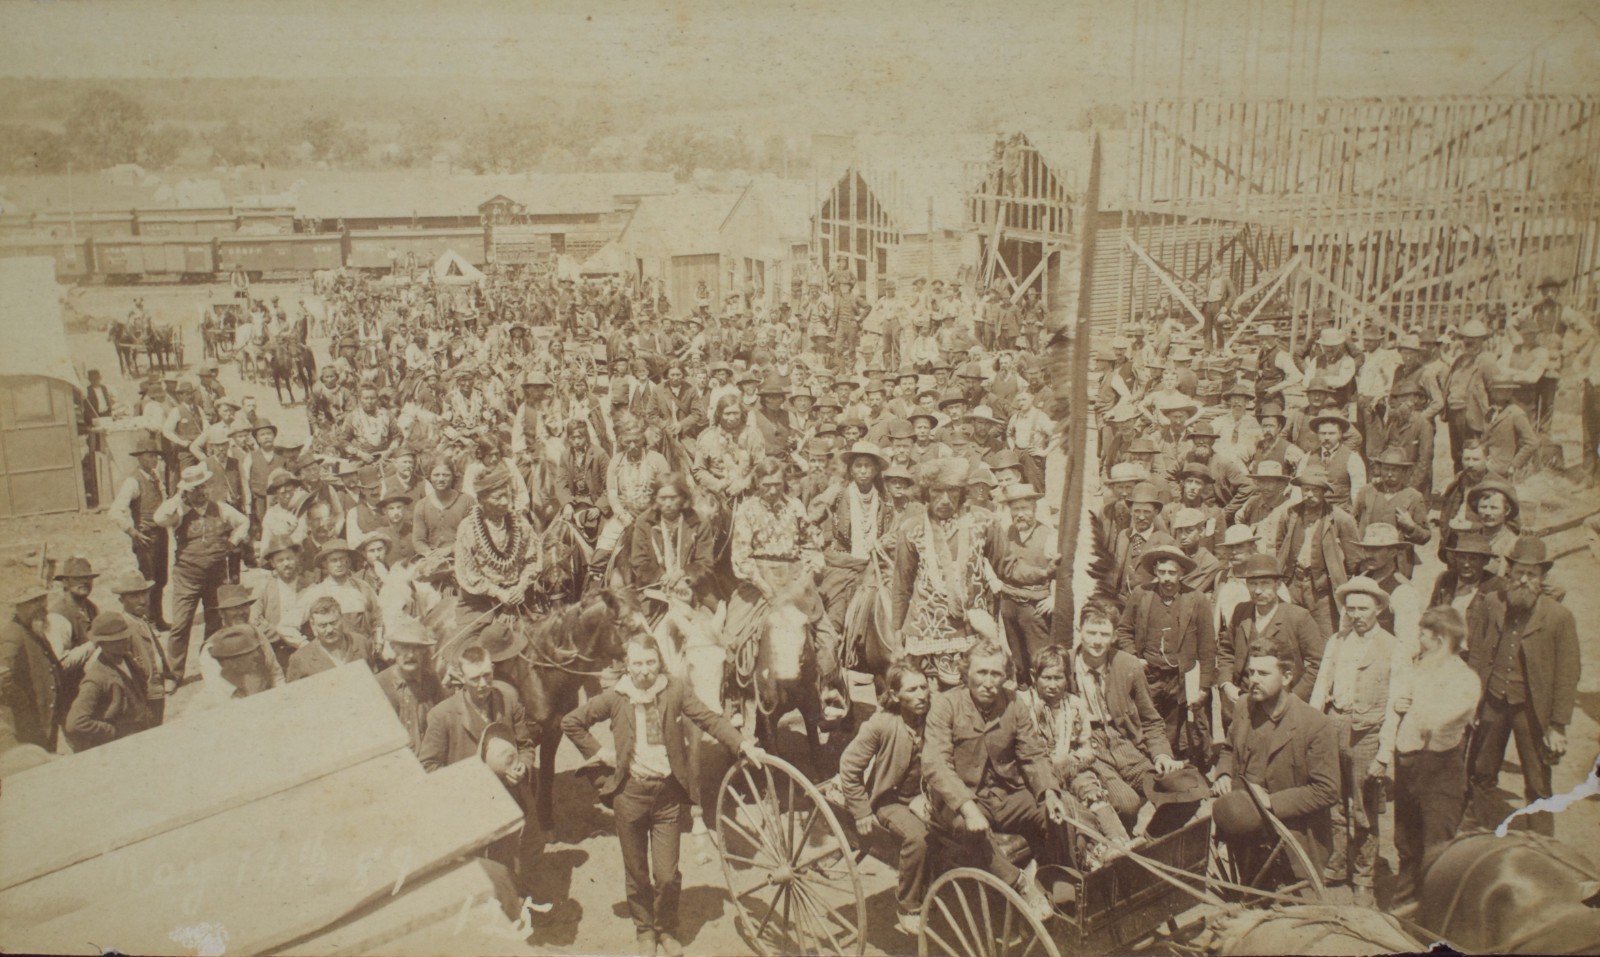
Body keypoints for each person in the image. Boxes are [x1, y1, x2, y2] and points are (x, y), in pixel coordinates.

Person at [562, 634, 764, 957]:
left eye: (650, 662)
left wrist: (741, 744)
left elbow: (709, 718)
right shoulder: (616, 697)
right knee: (637, 871)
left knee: (667, 875)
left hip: (667, 797)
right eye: (637, 664)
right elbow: (571, 722)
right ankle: (645, 931)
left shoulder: (674, 690)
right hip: (629, 795)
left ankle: (666, 929)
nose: (644, 671)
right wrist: (600, 753)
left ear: (659, 662)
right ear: (628, 665)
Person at [922, 638, 1066, 920]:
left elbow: (1033, 754)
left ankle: (1054, 878)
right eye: (981, 673)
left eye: (996, 674)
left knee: (1055, 812)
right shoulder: (945, 705)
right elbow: (936, 763)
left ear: (1005, 676)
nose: (989, 682)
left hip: (1006, 794)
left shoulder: (1013, 703)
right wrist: (968, 808)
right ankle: (1019, 883)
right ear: (966, 673)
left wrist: (1049, 791)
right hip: (962, 800)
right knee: (970, 829)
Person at [1466, 536, 1580, 836]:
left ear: (1542, 577)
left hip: (1531, 709)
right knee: (1481, 770)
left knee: (1538, 781)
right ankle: (1483, 832)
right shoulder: (1493, 603)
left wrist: (1557, 725)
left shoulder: (1558, 617)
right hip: (1493, 701)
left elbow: (1568, 675)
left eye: (1532, 574)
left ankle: (1541, 842)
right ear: (1509, 572)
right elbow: (1477, 653)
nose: (1525, 580)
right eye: (1519, 572)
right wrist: (1471, 700)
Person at [1308, 576, 1411, 907]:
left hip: (1368, 733)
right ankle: (1337, 864)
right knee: (1332, 801)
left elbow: (1396, 705)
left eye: (1363, 609)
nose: (1356, 615)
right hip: (1334, 725)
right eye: (1350, 609)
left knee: (1365, 808)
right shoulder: (1337, 642)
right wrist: (1313, 728)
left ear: (1378, 608)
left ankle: (1364, 877)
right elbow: (1321, 687)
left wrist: (1384, 753)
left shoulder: (1394, 647)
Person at [1211, 638, 1340, 892]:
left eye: (1263, 673)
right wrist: (1223, 773)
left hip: (1290, 834)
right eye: (1251, 672)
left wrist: (1271, 802)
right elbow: (1228, 748)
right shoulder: (1243, 707)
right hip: (1245, 827)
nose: (1253, 680)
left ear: (1287, 676)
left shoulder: (1315, 725)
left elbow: (1328, 790)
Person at [1390, 606, 1480, 908]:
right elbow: (1410, 708)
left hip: (1440, 772)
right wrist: (1403, 703)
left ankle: (1434, 915)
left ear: (1440, 640)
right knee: (1406, 841)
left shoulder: (1464, 679)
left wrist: (1415, 707)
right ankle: (1403, 907)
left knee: (1436, 848)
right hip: (1410, 765)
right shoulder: (1423, 669)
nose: (1419, 640)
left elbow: (1436, 721)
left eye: (1423, 635)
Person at [838, 660, 933, 935]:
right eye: (912, 690)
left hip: (925, 795)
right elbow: (849, 766)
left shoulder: (933, 718)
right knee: (917, 838)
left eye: (924, 687)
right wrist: (861, 810)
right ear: (895, 695)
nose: (921, 695)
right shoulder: (881, 724)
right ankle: (908, 905)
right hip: (890, 800)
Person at [153, 462, 251, 683]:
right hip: (187, 577)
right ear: (187, 491)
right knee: (180, 624)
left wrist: (232, 541)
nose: (201, 492)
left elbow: (244, 522)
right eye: (195, 488)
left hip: (215, 576)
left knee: (215, 622)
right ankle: (174, 674)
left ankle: (209, 665)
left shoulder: (220, 508)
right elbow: (158, 519)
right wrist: (178, 496)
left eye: (204, 486)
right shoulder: (179, 511)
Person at [1115, 546, 1215, 762]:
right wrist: (1134, 658)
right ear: (1155, 571)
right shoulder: (1142, 594)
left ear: (1182, 573)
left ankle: (1170, 766)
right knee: (1144, 722)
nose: (1167, 578)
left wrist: (1204, 686)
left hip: (1179, 678)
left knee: (1175, 729)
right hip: (1147, 675)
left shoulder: (1196, 599)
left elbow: (1207, 646)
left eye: (1172, 572)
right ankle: (1144, 765)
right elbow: (1124, 630)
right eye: (1162, 572)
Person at [1218, 555, 1323, 706]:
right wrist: (1226, 684)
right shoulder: (1241, 611)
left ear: (1278, 584)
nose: (1258, 591)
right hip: (1242, 699)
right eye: (1252, 584)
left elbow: (1317, 663)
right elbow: (1226, 650)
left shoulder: (1298, 617)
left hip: (1282, 704)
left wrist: (1294, 698)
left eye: (1265, 583)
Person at [420, 642, 535, 773]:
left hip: (506, 784)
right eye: (475, 679)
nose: (483, 684)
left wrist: (522, 767)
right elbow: (429, 765)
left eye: (487, 675)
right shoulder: (441, 715)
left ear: (493, 669)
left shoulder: (510, 702)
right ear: (462, 677)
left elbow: (525, 747)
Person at [65, 613, 161, 751]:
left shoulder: (127, 659)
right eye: (117, 640)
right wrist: (111, 731)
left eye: (125, 637)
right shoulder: (96, 678)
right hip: (122, 745)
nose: (126, 642)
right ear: (101, 644)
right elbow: (75, 723)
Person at [108, 434, 171, 626]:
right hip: (146, 537)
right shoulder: (133, 481)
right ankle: (147, 621)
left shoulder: (155, 477)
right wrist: (132, 532)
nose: (154, 460)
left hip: (160, 534)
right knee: (148, 580)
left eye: (156, 456)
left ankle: (157, 618)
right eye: (150, 456)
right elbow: (115, 511)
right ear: (140, 458)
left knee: (161, 579)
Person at [0, 583, 64, 751]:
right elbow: (2, 677)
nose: (41, 606)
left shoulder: (34, 629)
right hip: (28, 724)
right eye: (33, 602)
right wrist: (23, 704)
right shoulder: (13, 634)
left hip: (44, 719)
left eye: (42, 599)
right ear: (19, 607)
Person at [375, 621, 445, 755]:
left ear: (424, 651)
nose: (411, 655)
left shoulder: (432, 680)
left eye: (417, 648)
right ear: (393, 647)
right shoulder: (379, 684)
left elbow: (442, 723)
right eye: (404, 647)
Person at [185, 624, 278, 714]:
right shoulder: (205, 703)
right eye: (249, 653)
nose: (256, 655)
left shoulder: (252, 688)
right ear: (233, 663)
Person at [285, 596, 376, 681]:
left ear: (342, 619)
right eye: (322, 625)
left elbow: (373, 680)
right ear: (313, 626)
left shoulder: (360, 642)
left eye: (333, 623)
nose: (329, 630)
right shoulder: (300, 659)